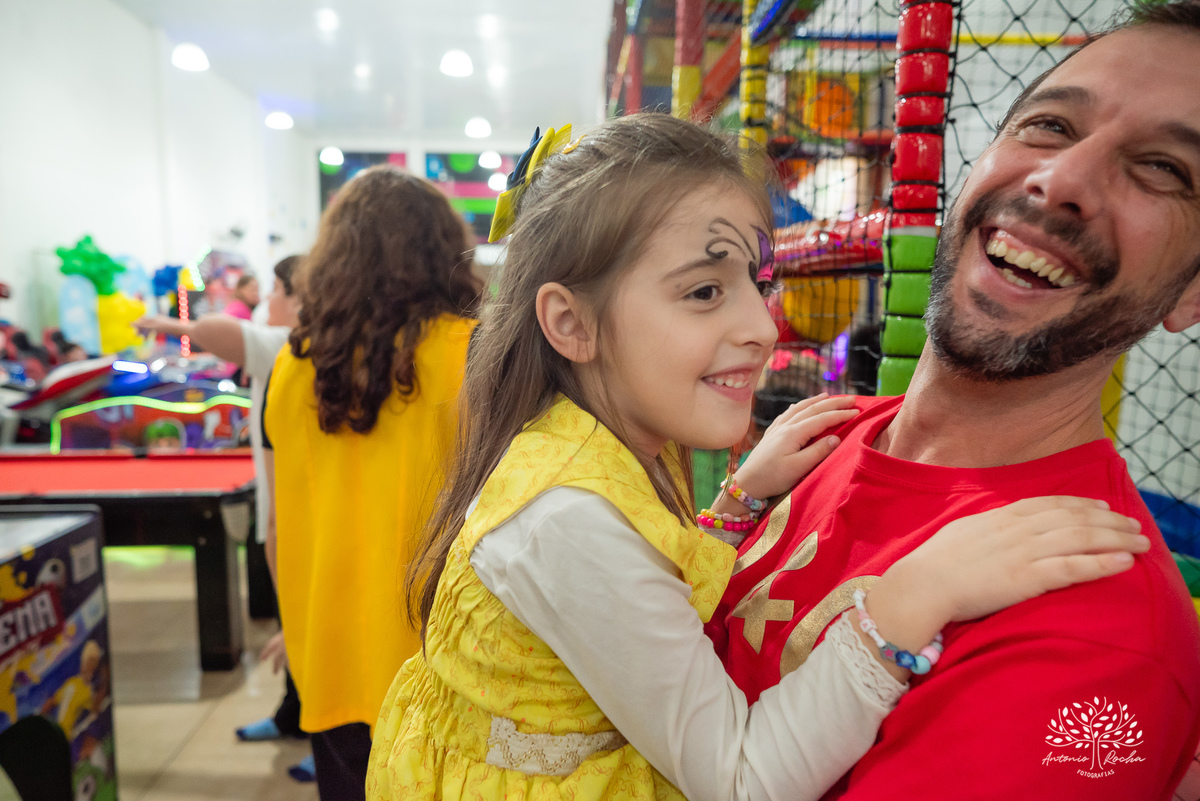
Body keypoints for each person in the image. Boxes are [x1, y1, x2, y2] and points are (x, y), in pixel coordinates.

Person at [365, 115, 1149, 801]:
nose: (764, 327)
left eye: (756, 281)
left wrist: (740, 498)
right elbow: (742, 779)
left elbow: (631, 603)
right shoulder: (565, 519)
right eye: (704, 292)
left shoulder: (584, 445)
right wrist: (911, 599)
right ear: (572, 324)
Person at [706, 5, 1200, 799]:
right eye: (1047, 125)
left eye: (1163, 170)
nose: (1062, 178)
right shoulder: (823, 439)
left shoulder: (1099, 634)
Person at [263, 165, 481, 800]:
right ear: (442, 248)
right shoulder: (472, 353)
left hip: (325, 654)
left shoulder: (292, 365)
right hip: (439, 662)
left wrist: (294, 622)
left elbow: (278, 526)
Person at [136, 256, 311, 774]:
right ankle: (294, 714)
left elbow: (216, 331)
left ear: (301, 300)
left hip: (300, 512)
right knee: (293, 624)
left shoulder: (288, 344)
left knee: (309, 629)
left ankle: (324, 734)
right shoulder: (286, 345)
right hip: (281, 504)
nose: (266, 300)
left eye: (277, 289)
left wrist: (164, 323)